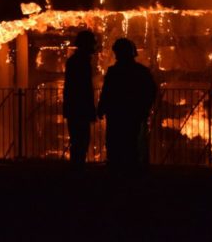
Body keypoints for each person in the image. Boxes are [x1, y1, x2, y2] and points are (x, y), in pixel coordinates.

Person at [97, 38, 156, 172]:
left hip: (117, 114)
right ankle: (131, 168)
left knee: (116, 141)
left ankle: (118, 168)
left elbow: (107, 92)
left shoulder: (114, 72)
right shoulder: (141, 71)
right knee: (131, 141)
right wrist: (144, 108)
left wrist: (102, 108)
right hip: (132, 113)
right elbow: (150, 91)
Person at [63, 30, 98, 169]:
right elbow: (83, 88)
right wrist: (90, 109)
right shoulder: (81, 62)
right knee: (81, 140)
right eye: (92, 43)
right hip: (79, 108)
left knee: (78, 140)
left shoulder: (74, 61)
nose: (94, 47)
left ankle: (77, 168)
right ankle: (78, 169)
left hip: (74, 108)